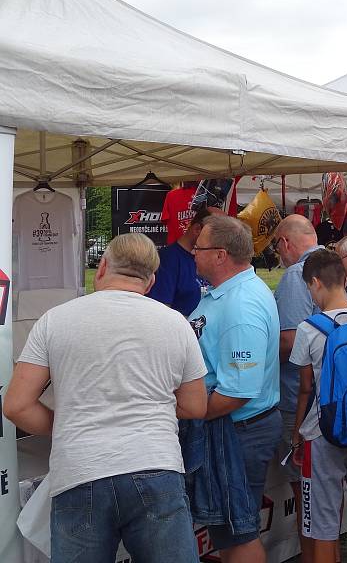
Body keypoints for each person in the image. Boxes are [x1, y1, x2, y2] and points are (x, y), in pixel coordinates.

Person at [5, 233, 208, 563]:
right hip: (155, 464)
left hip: (81, 468)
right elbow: (195, 405)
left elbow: (17, 405)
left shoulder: (55, 320)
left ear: (102, 267)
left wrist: (68, 424)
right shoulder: (175, 323)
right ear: (151, 279)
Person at [188, 215, 282, 563]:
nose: (193, 253)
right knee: (229, 532)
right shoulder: (230, 293)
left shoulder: (241, 305)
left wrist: (190, 410)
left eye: (199, 247)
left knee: (237, 533)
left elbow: (238, 391)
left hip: (237, 429)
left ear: (220, 255)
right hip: (233, 427)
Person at [290, 249, 347, 563]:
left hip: (320, 433)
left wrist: (296, 435)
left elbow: (305, 388)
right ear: (345, 279)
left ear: (316, 283)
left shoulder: (308, 328)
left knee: (321, 524)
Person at [273, 213, 325, 563]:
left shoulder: (295, 275)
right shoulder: (333, 265)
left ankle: (312, 555)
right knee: (322, 488)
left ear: (285, 243)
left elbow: (290, 341)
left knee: (305, 487)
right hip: (326, 394)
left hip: (299, 398)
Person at [148, 207, 213, 316]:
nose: (221, 241)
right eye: (216, 235)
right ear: (197, 229)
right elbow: (161, 309)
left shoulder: (214, 256)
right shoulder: (168, 258)